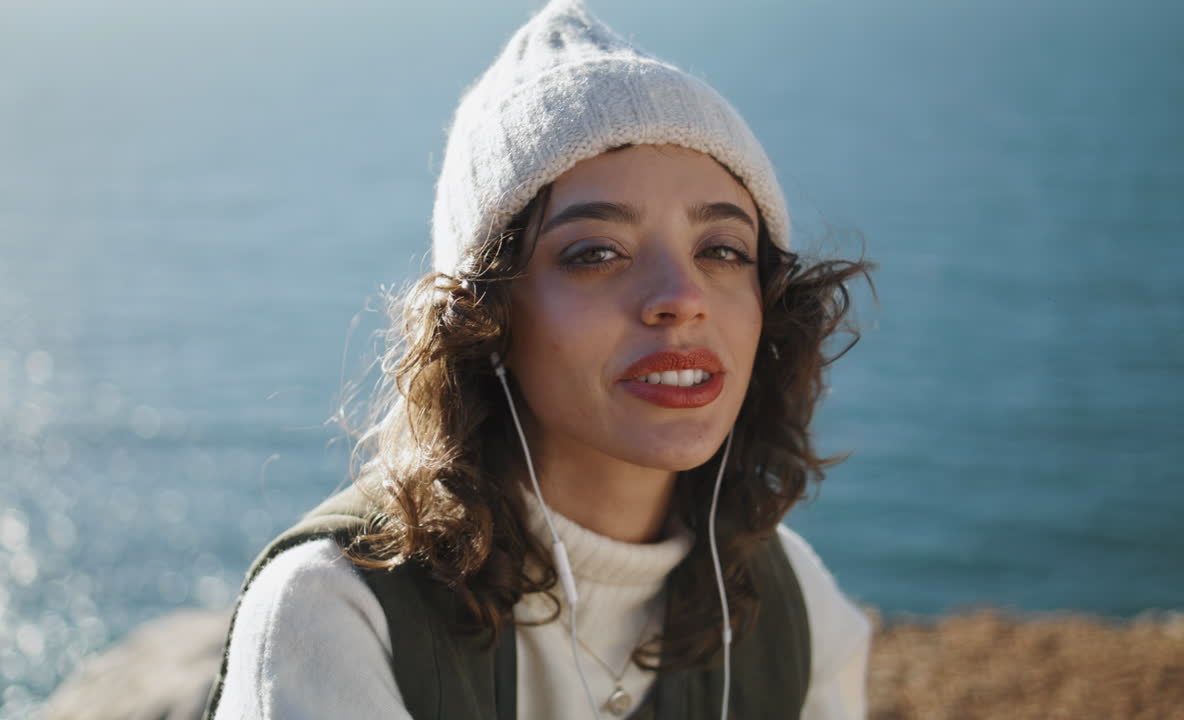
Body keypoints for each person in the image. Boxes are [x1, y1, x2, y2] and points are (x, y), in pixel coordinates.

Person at [207, 1, 873, 718]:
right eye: (595, 254)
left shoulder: (801, 609)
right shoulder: (336, 609)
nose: (681, 297)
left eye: (721, 250)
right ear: (485, 320)